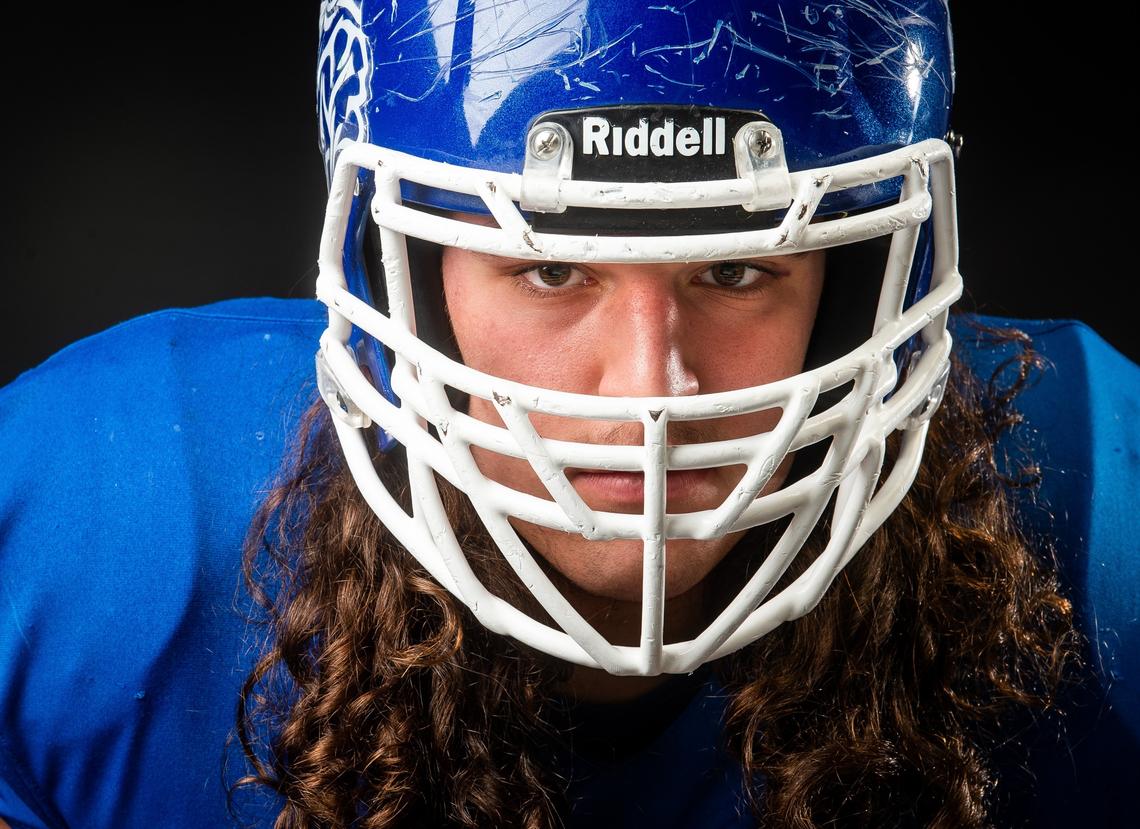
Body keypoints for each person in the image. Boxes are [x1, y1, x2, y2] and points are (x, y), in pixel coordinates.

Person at [1, 1, 1137, 827]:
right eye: (551, 272)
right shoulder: (100, 532)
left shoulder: (1101, 530)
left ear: (855, 285)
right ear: (407, 265)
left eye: (737, 270)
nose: (651, 390)